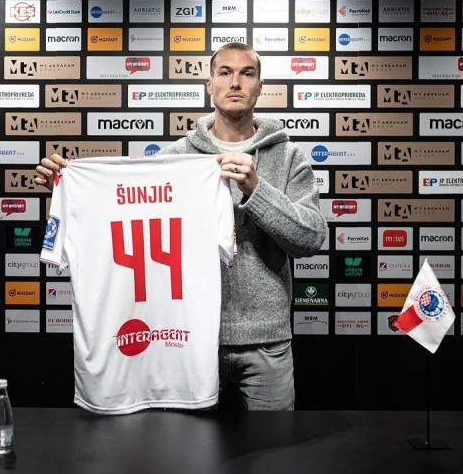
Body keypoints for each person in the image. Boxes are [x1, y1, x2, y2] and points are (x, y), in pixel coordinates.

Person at [35, 43, 326, 410]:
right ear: (209, 84)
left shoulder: (287, 157)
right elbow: (128, 218)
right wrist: (70, 190)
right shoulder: (176, 158)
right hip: (185, 339)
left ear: (260, 86)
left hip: (265, 342)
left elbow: (310, 238)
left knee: (275, 443)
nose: (236, 82)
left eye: (247, 73)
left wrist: (256, 189)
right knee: (188, 445)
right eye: (225, 73)